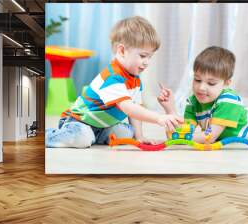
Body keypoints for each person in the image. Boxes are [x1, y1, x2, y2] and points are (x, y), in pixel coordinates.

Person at [46, 16, 183, 148]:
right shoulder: (112, 77)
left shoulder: (135, 79)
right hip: (79, 121)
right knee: (82, 138)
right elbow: (128, 107)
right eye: (143, 56)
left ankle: (95, 136)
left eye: (150, 57)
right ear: (122, 50)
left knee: (128, 133)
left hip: (102, 126)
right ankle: (48, 136)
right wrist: (158, 118)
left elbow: (135, 109)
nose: (147, 62)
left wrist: (139, 136)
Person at [157, 46, 248, 144]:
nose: (201, 87)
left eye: (211, 83)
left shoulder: (229, 100)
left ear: (226, 83)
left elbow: (209, 137)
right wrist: (170, 110)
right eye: (197, 80)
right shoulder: (193, 101)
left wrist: (180, 138)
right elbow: (177, 134)